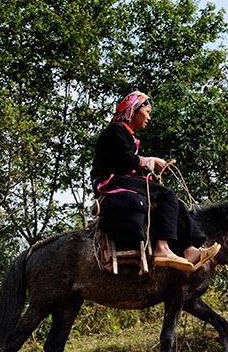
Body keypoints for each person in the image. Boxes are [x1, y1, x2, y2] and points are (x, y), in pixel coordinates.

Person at [90, 91, 220, 271]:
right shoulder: (116, 130)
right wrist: (149, 161)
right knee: (166, 194)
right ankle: (162, 248)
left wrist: (147, 164)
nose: (149, 117)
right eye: (147, 111)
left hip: (121, 179)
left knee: (175, 202)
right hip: (110, 181)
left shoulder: (127, 134)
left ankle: (189, 248)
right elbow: (125, 161)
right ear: (133, 110)